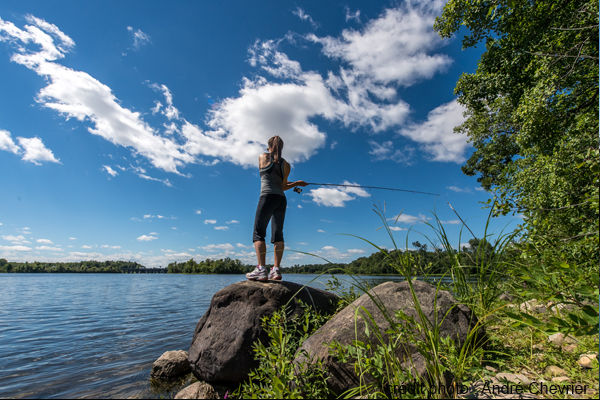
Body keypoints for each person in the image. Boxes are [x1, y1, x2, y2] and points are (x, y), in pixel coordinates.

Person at [246, 136, 308, 282]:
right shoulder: (286, 165)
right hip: (280, 199)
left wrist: (295, 183)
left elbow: (271, 177)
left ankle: (261, 269)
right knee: (278, 235)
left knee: (259, 233)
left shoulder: (263, 157)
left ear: (269, 147)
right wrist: (297, 183)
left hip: (267, 197)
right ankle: (276, 269)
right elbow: (283, 186)